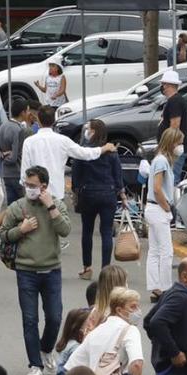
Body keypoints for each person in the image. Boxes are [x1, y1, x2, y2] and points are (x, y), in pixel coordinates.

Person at [0, 166, 73, 375]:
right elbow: (3, 235)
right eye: (27, 185)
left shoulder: (56, 205)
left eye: (33, 185)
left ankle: (46, 349)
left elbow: (65, 230)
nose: (29, 189)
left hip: (51, 270)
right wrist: (20, 230)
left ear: (44, 186)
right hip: (26, 271)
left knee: (55, 317)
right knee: (30, 319)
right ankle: (35, 364)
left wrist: (50, 206)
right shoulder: (17, 207)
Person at [23, 106, 115, 202]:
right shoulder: (63, 140)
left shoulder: (29, 142)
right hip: (56, 193)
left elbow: (24, 172)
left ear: (39, 120)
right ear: (54, 121)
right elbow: (84, 153)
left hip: (35, 193)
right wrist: (102, 149)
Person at [71, 119, 124, 280]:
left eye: (89, 128)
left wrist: (76, 191)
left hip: (88, 193)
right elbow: (117, 175)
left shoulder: (83, 152)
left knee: (87, 231)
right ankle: (105, 270)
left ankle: (87, 268)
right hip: (108, 194)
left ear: (93, 132)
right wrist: (121, 193)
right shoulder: (111, 152)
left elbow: (76, 175)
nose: (86, 131)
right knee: (106, 232)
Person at [144, 128, 184, 299]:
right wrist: (167, 207)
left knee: (154, 250)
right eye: (179, 143)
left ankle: (155, 286)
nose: (181, 146)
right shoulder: (162, 161)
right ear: (172, 143)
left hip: (152, 208)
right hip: (159, 208)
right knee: (166, 251)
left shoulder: (159, 160)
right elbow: (157, 188)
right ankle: (166, 287)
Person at [0, 100, 32, 204]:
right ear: (22, 113)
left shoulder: (2, 127)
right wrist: (8, 156)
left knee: (11, 208)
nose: (29, 113)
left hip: (6, 174)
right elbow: (14, 157)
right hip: (18, 173)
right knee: (23, 207)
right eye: (27, 111)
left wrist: (3, 155)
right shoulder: (19, 130)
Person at [156, 71, 187, 166]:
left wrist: (169, 149)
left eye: (163, 84)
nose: (162, 87)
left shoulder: (175, 101)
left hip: (173, 151)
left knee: (172, 179)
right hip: (173, 150)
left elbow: (175, 126)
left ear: (168, 85)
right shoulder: (174, 100)